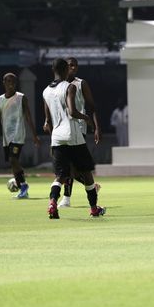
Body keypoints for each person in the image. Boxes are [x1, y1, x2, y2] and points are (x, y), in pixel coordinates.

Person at [42, 58, 105, 219]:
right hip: (73, 135)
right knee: (87, 173)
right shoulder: (69, 87)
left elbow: (47, 120)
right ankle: (93, 208)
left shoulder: (45, 91)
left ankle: (52, 203)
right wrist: (87, 119)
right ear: (65, 70)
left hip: (57, 138)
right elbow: (72, 111)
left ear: (53, 70)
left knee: (61, 176)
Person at [58, 57, 101, 208]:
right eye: (70, 65)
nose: (73, 68)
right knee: (73, 168)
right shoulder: (58, 86)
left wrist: (96, 127)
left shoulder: (80, 83)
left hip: (79, 128)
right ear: (64, 67)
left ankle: (66, 198)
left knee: (71, 166)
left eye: (75, 65)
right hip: (62, 130)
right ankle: (91, 187)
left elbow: (92, 107)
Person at [0, 72, 40, 199]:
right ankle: (22, 187)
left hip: (18, 135)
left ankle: (23, 186)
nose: (11, 84)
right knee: (12, 163)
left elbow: (28, 117)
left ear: (16, 83)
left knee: (13, 159)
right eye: (8, 81)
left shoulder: (21, 97)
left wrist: (34, 136)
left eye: (13, 82)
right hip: (6, 137)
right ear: (4, 83)